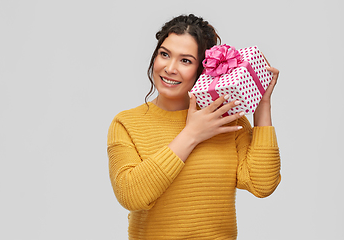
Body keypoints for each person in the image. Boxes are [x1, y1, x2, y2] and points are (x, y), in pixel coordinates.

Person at [107, 14, 281, 240]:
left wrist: (262, 104)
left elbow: (263, 184)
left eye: (185, 60)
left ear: (203, 69)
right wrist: (191, 134)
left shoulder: (226, 119)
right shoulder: (126, 123)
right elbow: (130, 195)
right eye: (164, 55)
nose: (170, 68)